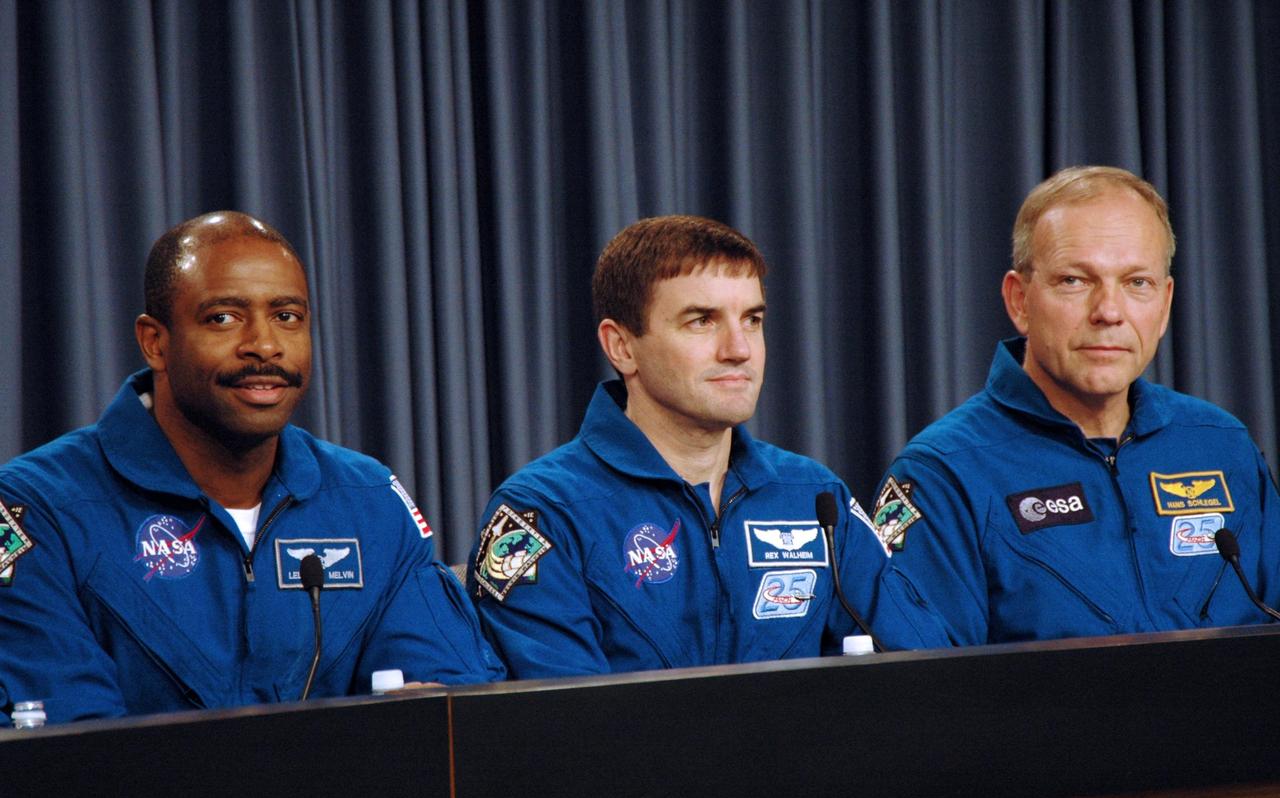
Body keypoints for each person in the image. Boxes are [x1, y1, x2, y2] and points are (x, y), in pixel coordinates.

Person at [0, 211, 503, 724]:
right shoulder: (37, 510)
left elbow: (445, 716)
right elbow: (65, 753)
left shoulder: (369, 500)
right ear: (156, 341)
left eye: (287, 316)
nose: (265, 345)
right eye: (223, 317)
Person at [467, 214, 905, 678]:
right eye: (702, 321)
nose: (739, 349)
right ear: (621, 347)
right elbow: (569, 731)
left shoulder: (814, 496)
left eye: (752, 320)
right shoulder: (546, 512)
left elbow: (917, 677)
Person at [874, 165, 1280, 647]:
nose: (1109, 312)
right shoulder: (943, 472)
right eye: (1074, 280)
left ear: (1166, 304)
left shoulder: (1220, 445)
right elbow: (923, 699)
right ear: (1019, 300)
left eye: (1137, 283)